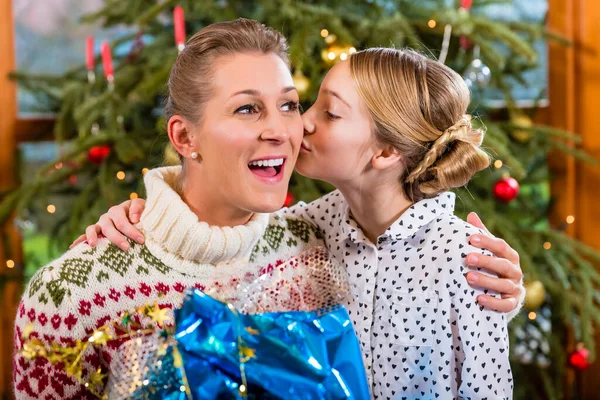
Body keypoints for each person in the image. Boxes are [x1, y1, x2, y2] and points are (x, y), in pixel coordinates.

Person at [77, 46, 522, 398]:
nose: (300, 124)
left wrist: (507, 293)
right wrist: (143, 213)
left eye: (329, 113)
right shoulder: (306, 229)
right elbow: (222, 230)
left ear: (386, 153)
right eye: (305, 105)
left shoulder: (467, 260)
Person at [13, 19, 328, 399]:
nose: (280, 130)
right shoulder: (70, 295)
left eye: (288, 105)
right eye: (247, 109)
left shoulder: (316, 246)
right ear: (183, 136)